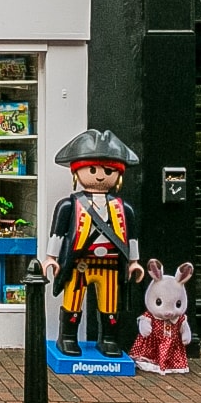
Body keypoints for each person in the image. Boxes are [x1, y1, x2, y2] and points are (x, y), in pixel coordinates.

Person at [42, 129, 142, 357]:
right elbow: (57, 235)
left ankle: (109, 339)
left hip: (109, 265)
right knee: (73, 302)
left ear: (118, 175)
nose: (99, 176)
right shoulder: (69, 205)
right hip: (79, 264)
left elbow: (131, 237)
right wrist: (52, 258)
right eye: (93, 169)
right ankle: (67, 337)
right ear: (77, 173)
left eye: (107, 171)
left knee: (110, 305)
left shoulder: (123, 209)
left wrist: (134, 262)